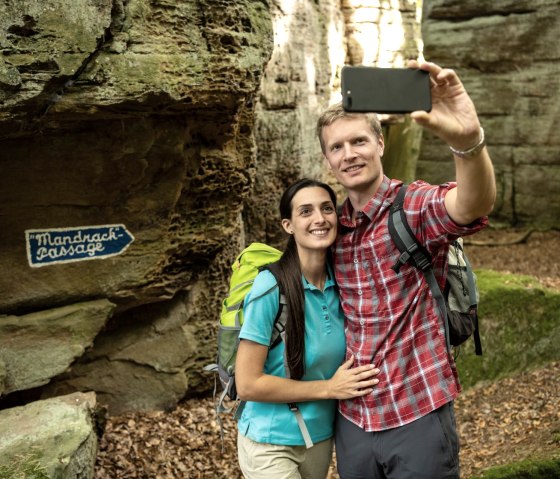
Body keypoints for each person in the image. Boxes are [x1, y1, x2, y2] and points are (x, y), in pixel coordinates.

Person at [316, 60, 496, 479]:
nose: (349, 155)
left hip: (418, 408)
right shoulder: (330, 230)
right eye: (337, 147)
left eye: (358, 141)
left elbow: (471, 205)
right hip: (354, 419)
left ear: (380, 143)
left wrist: (469, 143)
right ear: (327, 160)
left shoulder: (412, 207)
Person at [235, 178, 380, 479]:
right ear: (288, 225)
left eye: (326, 208)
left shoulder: (344, 283)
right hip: (269, 442)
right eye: (305, 211)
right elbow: (247, 383)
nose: (319, 219)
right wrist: (329, 388)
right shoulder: (270, 286)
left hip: (319, 437)